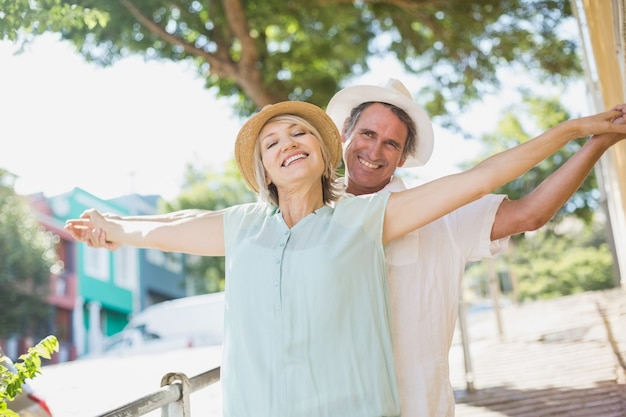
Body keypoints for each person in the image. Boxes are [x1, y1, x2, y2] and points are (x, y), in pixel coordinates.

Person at [79, 84, 626, 416]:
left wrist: (578, 131)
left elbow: (487, 181)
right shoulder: (247, 227)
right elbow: (181, 223)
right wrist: (115, 225)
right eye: (272, 143)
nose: (287, 144)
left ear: (322, 148)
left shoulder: (373, 218)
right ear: (342, 139)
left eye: (298, 134)